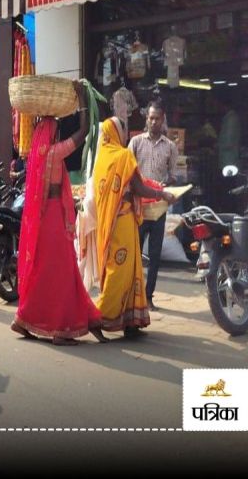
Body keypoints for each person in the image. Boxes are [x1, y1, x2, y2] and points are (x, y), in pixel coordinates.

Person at [11, 83, 108, 345]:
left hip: (42, 220)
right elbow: (84, 131)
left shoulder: (36, 155)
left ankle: (25, 318)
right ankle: (59, 327)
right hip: (54, 216)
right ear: (52, 135)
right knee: (62, 272)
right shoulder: (55, 153)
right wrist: (82, 100)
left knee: (45, 271)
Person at [94, 116, 176, 338]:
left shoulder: (102, 158)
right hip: (121, 222)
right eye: (123, 129)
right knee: (119, 271)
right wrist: (162, 194)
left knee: (131, 269)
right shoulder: (122, 156)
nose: (125, 132)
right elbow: (138, 187)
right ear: (116, 133)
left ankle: (131, 322)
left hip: (114, 222)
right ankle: (98, 317)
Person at [128, 101, 178, 310]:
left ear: (162, 119)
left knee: (155, 256)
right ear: (146, 119)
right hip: (138, 206)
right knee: (134, 253)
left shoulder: (170, 147)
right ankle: (133, 295)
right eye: (151, 117)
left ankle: (148, 297)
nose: (154, 121)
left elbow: (173, 176)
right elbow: (127, 173)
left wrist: (167, 185)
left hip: (158, 208)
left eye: (157, 118)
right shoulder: (135, 143)